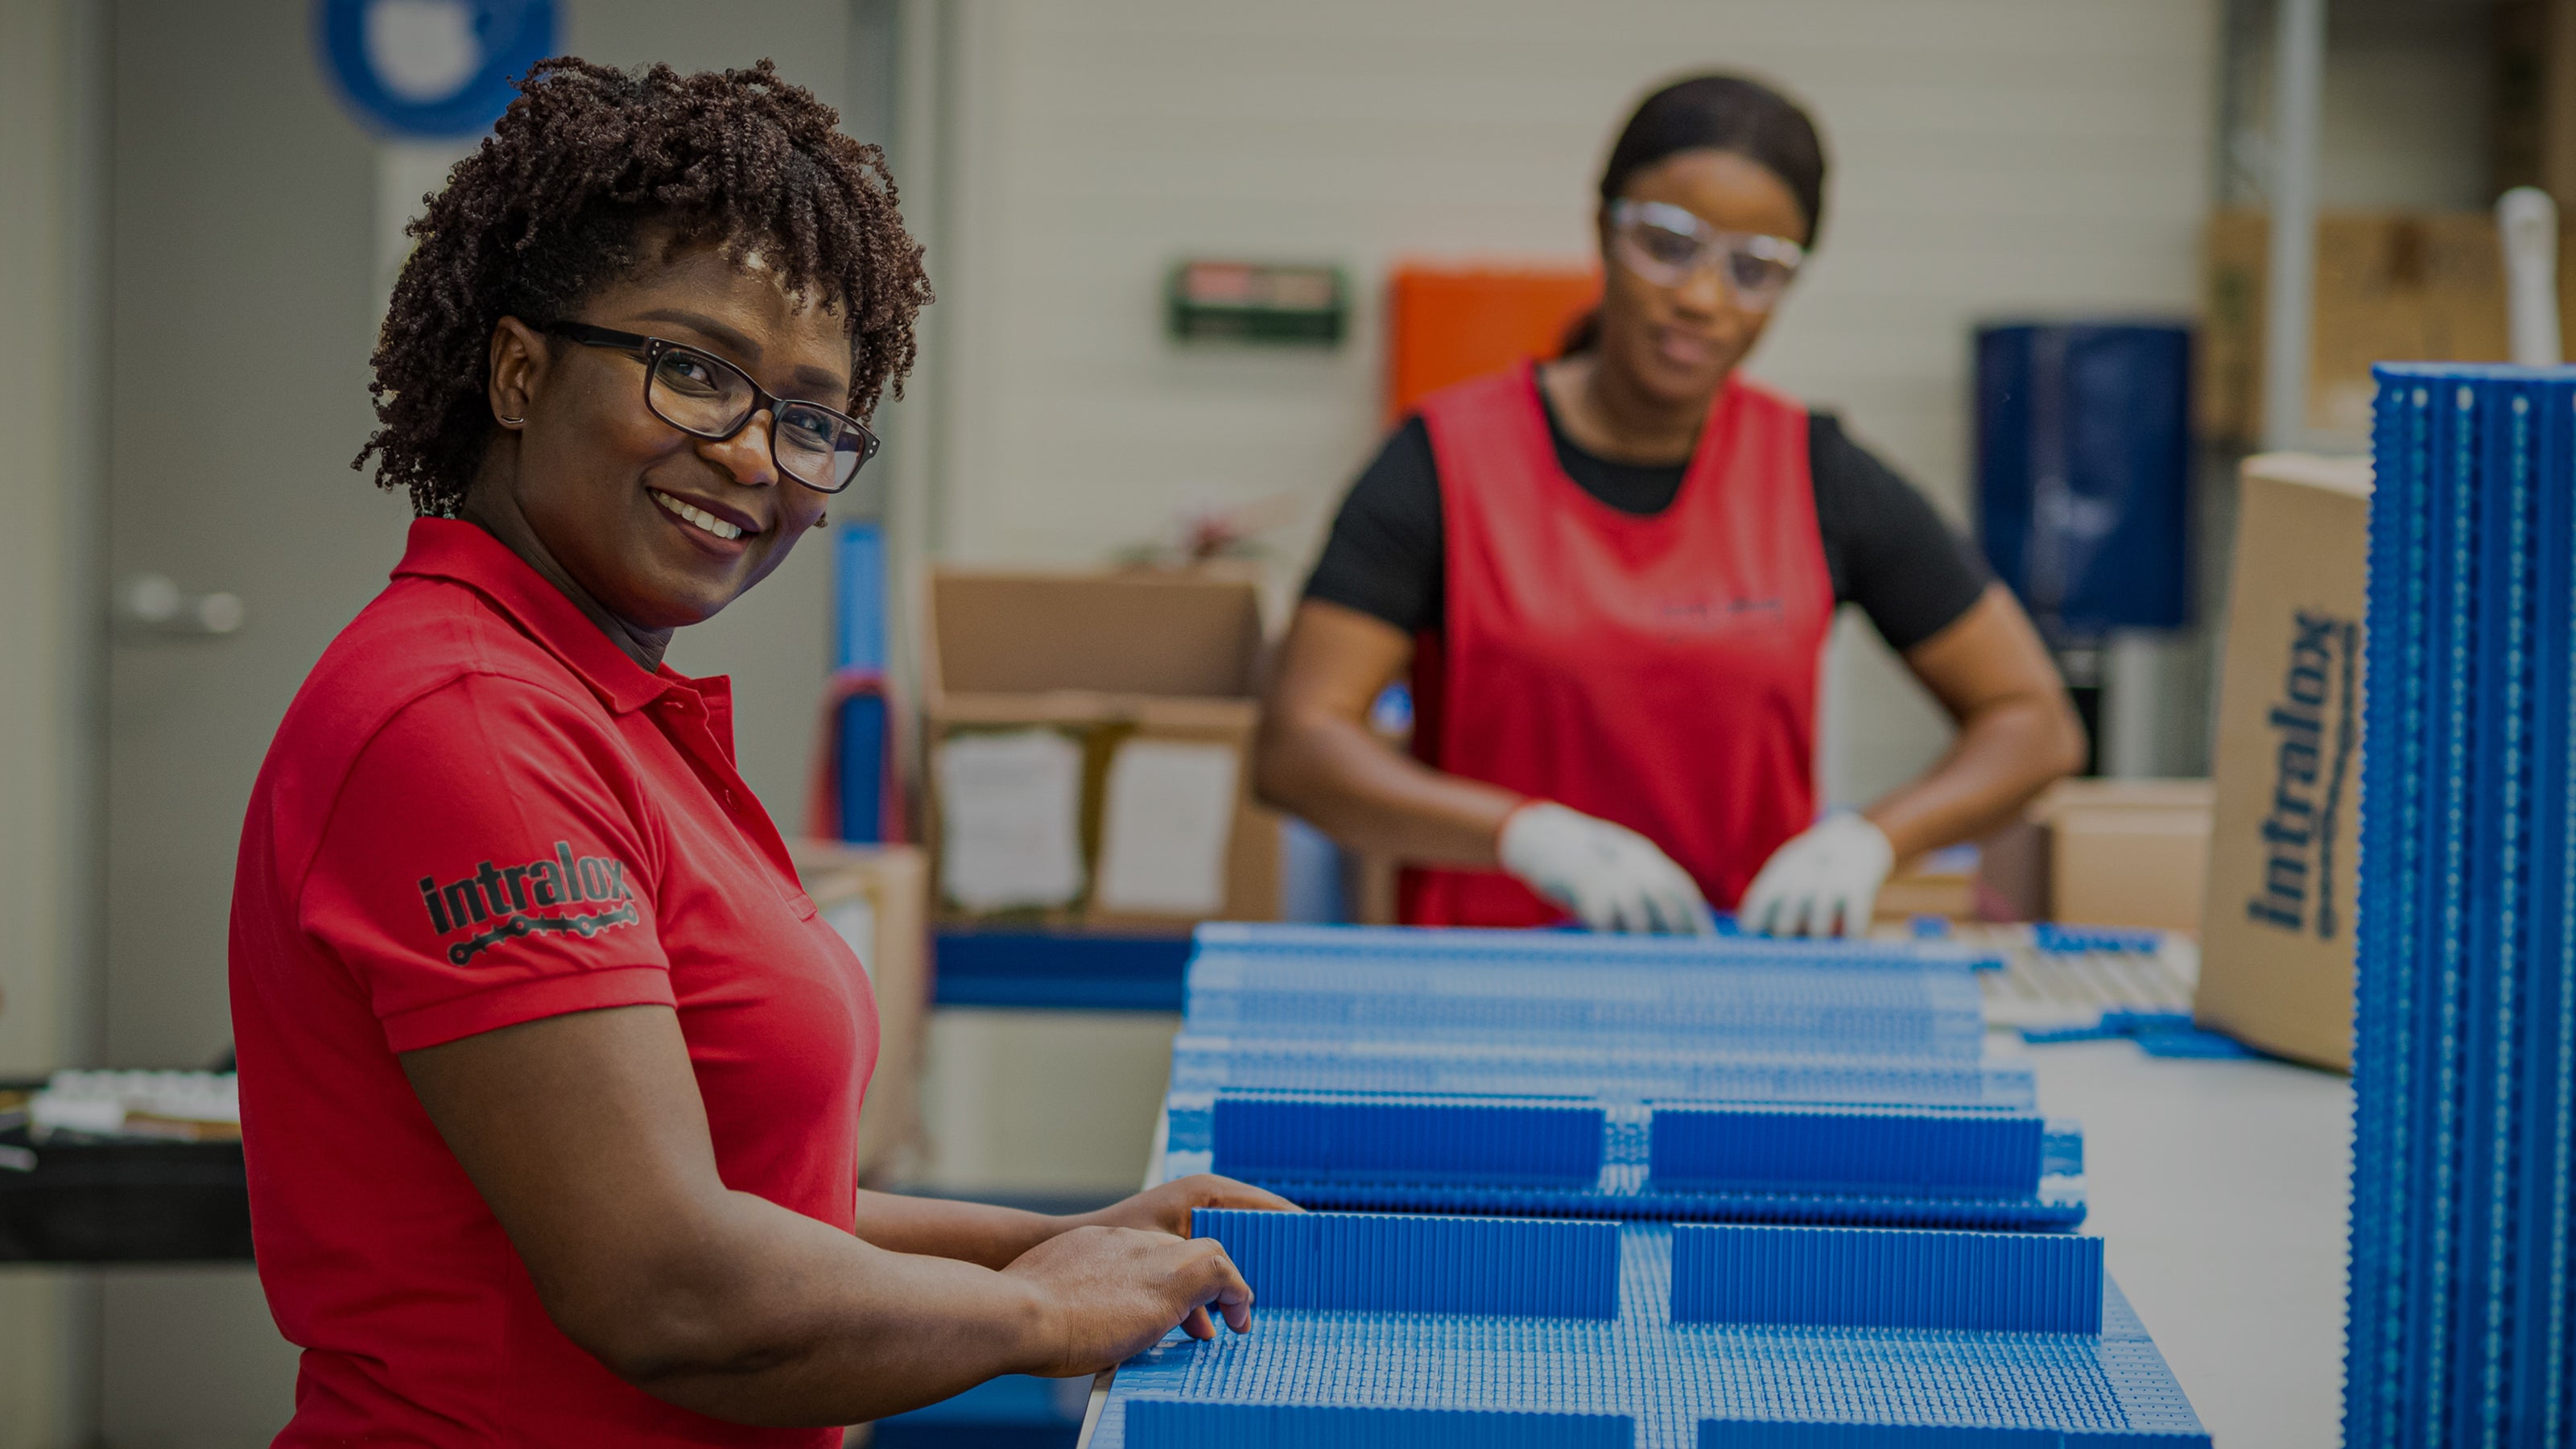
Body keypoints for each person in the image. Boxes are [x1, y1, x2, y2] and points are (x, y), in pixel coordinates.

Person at [229, 59, 1287, 1448]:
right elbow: (670, 1288)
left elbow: (762, 1200)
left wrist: (1063, 1236)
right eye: (693, 371)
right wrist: (1042, 1317)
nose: (752, 457)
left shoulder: (601, 707)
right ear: (517, 366)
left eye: (806, 416)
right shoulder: (469, 728)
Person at [1256, 73, 2084, 938]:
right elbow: (1298, 748)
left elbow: (2032, 724)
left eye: (1753, 269)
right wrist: (1523, 838)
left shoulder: (1817, 476)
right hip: (1485, 996)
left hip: (1737, 991)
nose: (1700, 296)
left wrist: (1870, 842)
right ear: (1601, 227)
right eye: (1665, 243)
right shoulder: (1443, 465)